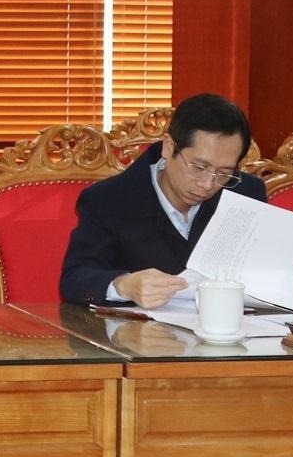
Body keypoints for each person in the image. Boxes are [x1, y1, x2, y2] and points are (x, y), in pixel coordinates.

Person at [59, 93, 266, 308]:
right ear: (168, 146)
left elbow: (268, 271)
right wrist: (123, 285)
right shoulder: (109, 199)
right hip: (139, 328)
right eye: (199, 167)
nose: (207, 185)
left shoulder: (246, 194)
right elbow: (75, 279)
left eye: (223, 173)